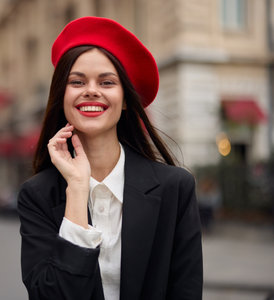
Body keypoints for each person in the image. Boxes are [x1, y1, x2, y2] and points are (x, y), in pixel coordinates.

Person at [17, 16, 203, 300]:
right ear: (61, 96)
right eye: (77, 82)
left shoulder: (175, 188)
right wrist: (77, 192)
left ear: (126, 99)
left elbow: (186, 292)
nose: (91, 90)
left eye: (107, 82)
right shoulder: (37, 195)